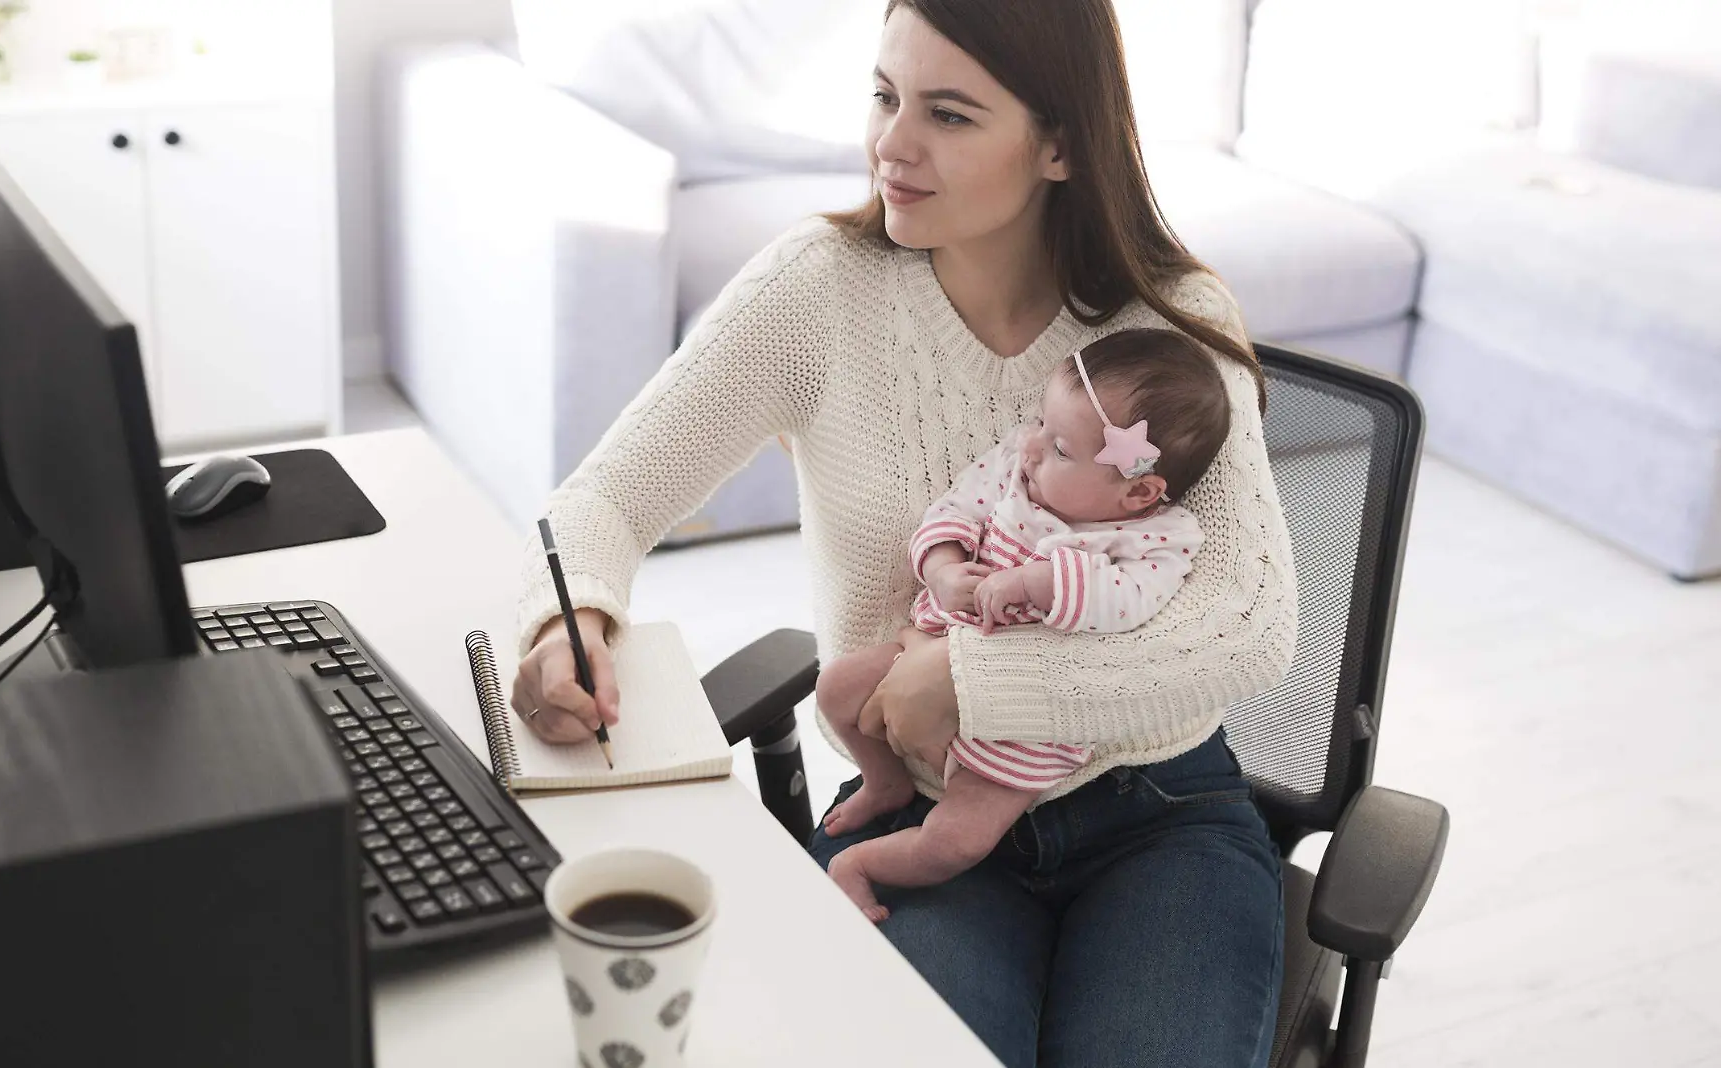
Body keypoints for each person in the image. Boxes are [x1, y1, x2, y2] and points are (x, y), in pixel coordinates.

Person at [511, 1, 1298, 1064]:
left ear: (1060, 142)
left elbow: (1247, 626)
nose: (892, 143)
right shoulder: (818, 291)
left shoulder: (1168, 318)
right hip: (915, 804)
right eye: (884, 96)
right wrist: (571, 624)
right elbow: (600, 501)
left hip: (1157, 811)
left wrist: (972, 678)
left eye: (949, 114)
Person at [817, 329, 1232, 924]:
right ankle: (885, 781)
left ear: (1139, 490)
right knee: (835, 688)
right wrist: (943, 569)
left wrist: (1042, 582)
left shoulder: (1153, 538)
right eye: (1041, 422)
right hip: (930, 646)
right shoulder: (1015, 470)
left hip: (1030, 727)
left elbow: (1132, 604)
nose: (1031, 446)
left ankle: (858, 866)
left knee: (956, 842)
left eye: (1061, 447)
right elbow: (952, 511)